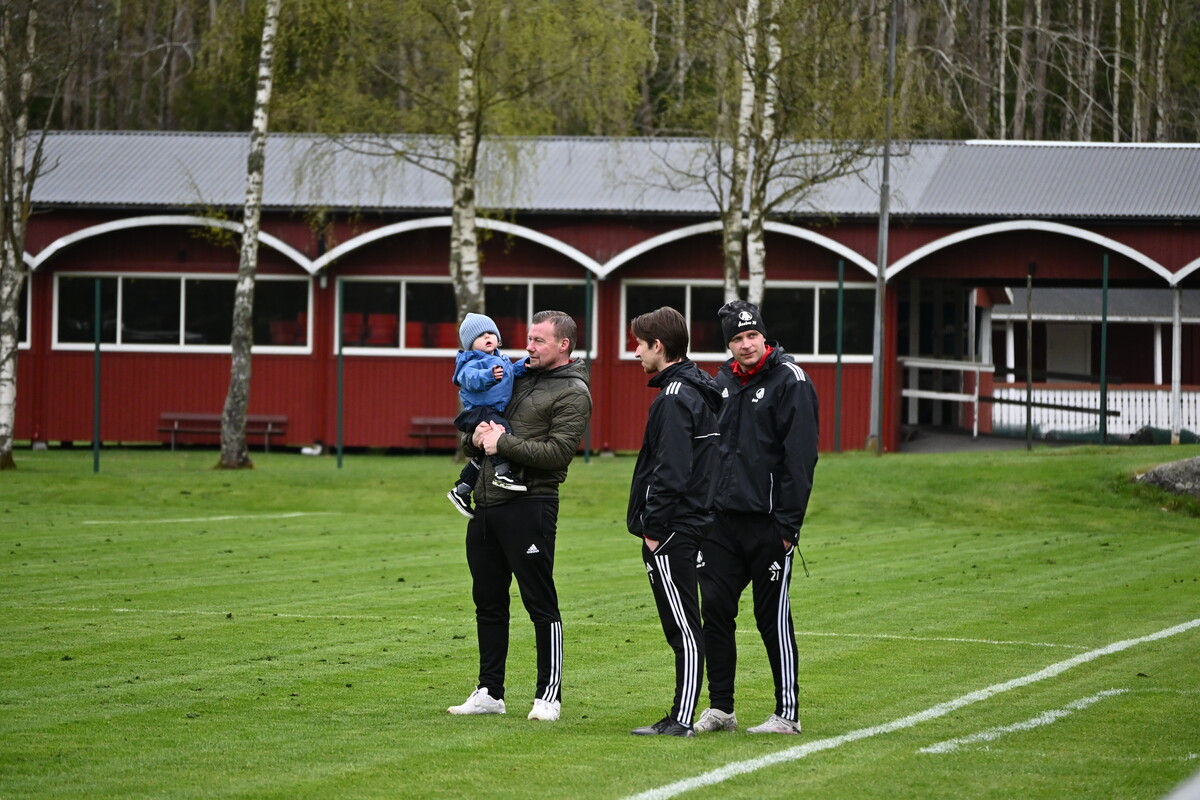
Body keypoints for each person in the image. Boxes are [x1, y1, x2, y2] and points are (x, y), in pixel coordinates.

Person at [447, 310, 592, 723]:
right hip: (486, 503)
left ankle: (548, 696)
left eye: (538, 341)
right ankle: (490, 692)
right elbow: (478, 427)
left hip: (531, 505)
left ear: (563, 344)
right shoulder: (516, 374)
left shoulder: (574, 391)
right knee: (488, 602)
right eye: (528, 338)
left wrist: (503, 444)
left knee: (539, 603)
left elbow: (558, 455)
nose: (528, 347)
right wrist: (474, 437)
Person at [694, 300, 819, 736]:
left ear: (764, 337)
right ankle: (721, 709)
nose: (746, 344)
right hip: (721, 524)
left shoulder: (791, 380)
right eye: (737, 338)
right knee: (715, 611)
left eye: (752, 336)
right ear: (728, 345)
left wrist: (787, 527)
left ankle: (787, 714)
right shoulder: (721, 382)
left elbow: (800, 459)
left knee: (772, 619)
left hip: (768, 526)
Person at [626, 307, 721, 738]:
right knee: (684, 622)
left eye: (640, 344)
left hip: (672, 529)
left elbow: (672, 471)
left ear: (658, 346)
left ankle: (682, 720)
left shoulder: (674, 398)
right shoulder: (696, 389)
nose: (636, 353)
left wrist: (653, 529)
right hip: (688, 523)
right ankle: (681, 715)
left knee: (682, 625)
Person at [447, 312, 528, 520]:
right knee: (502, 433)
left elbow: (511, 372)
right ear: (470, 344)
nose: (487, 337)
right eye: (480, 335)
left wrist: (524, 365)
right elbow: (470, 379)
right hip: (478, 411)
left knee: (482, 455)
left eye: (491, 333)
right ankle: (502, 473)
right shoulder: (470, 362)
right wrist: (488, 376)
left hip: (492, 410)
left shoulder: (500, 359)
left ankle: (462, 489)